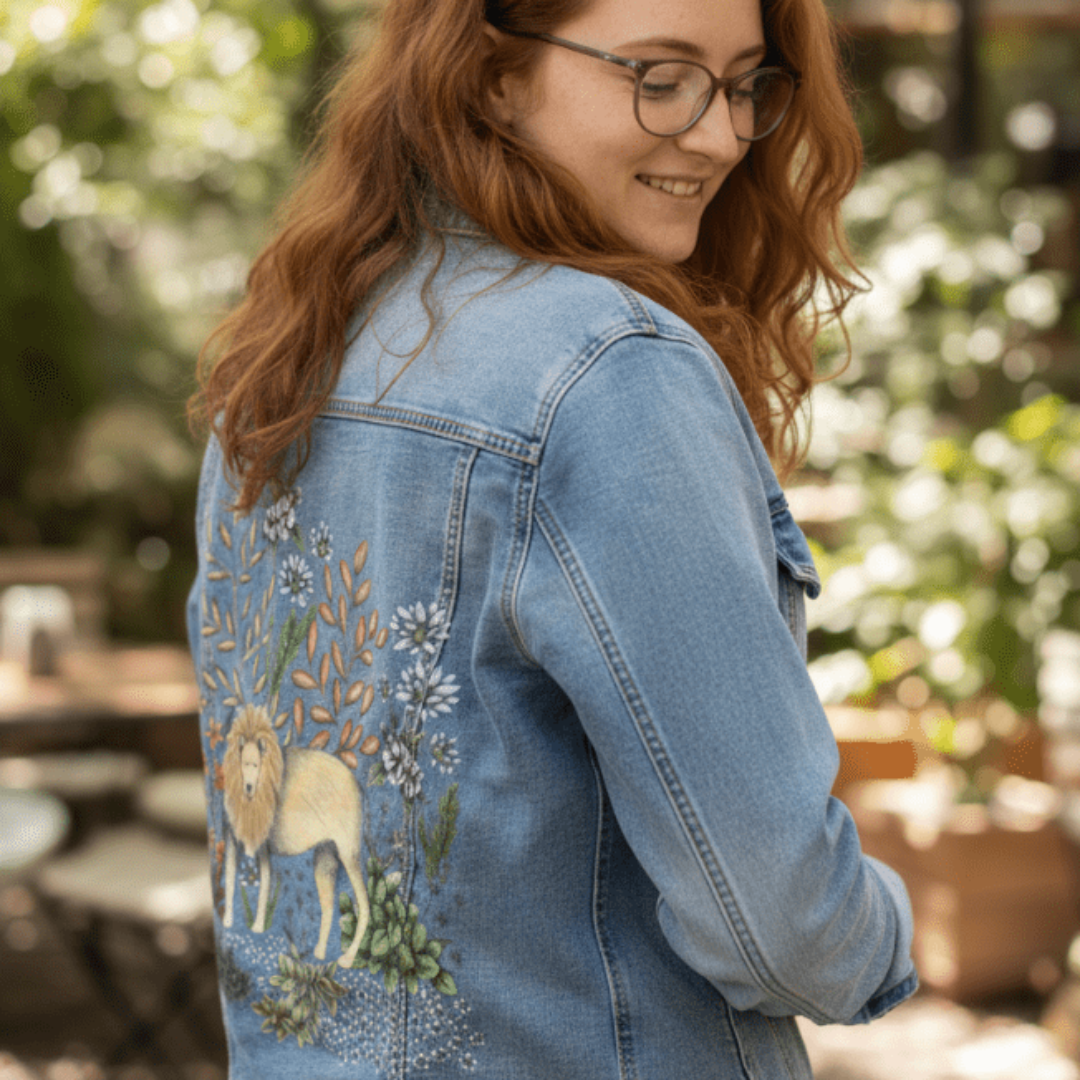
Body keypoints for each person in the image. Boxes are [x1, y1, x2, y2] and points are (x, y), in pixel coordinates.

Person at [187, 0, 918, 1074]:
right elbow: (782, 920)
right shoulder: (611, 376)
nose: (717, 134)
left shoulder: (292, 356)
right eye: (660, 77)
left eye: (743, 85)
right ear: (491, 75)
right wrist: (890, 932)